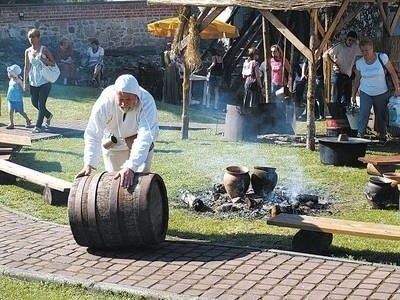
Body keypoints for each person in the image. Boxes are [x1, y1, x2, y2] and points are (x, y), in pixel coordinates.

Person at [75, 74, 159, 188]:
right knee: (116, 181)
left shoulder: (147, 102)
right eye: (121, 99)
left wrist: (131, 166)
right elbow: (93, 133)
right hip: (114, 142)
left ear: (136, 97)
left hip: (138, 140)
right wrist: (89, 163)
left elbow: (145, 136)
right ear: (115, 95)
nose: (124, 103)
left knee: (142, 179)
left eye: (128, 99)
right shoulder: (105, 102)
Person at [351, 38, 400, 142]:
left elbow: (393, 73)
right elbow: (357, 80)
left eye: (367, 50)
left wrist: (397, 88)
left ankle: (382, 135)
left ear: (372, 49)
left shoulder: (382, 57)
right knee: (364, 113)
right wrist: (354, 94)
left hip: (381, 92)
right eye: (363, 51)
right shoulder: (359, 63)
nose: (365, 53)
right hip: (365, 92)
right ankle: (360, 136)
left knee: (381, 115)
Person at [23, 28, 55, 133]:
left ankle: (38, 126)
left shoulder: (44, 49)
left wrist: (44, 59)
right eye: (30, 37)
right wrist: (24, 82)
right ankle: (48, 115)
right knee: (34, 102)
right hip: (33, 81)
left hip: (45, 81)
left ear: (38, 38)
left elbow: (53, 63)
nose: (31, 39)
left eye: (33, 37)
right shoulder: (27, 51)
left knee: (41, 104)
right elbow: (27, 67)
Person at [324, 31, 362, 107]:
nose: (351, 42)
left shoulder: (356, 47)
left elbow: (363, 52)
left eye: (353, 41)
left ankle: (344, 116)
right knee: (337, 98)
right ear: (346, 39)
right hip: (338, 74)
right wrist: (334, 63)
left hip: (348, 75)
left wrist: (358, 42)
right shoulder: (339, 46)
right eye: (350, 40)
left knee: (347, 99)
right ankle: (336, 115)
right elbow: (325, 55)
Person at [5, 64, 31, 129]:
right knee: (10, 111)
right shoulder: (11, 80)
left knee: (21, 111)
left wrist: (25, 87)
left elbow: (23, 88)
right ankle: (11, 123)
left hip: (17, 99)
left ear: (15, 73)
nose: (9, 74)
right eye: (9, 73)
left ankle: (28, 120)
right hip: (10, 99)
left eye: (10, 73)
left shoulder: (18, 80)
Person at [242, 47, 262, 113]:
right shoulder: (255, 63)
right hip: (254, 82)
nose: (258, 56)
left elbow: (243, 75)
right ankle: (252, 113)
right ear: (254, 55)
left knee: (246, 98)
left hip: (247, 82)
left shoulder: (246, 63)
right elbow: (257, 75)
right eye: (257, 54)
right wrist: (260, 85)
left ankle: (245, 112)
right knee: (253, 99)